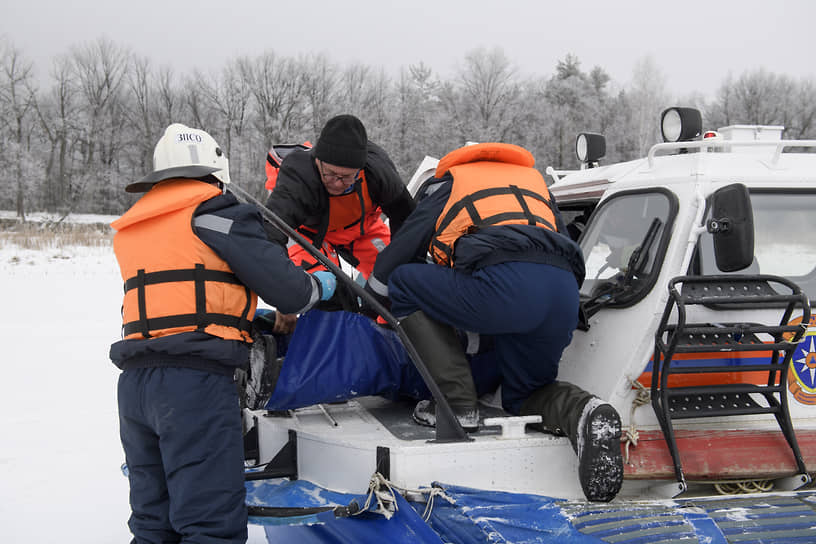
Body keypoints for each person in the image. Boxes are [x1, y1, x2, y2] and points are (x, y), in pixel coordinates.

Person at [109, 123, 336, 543]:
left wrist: (247, 318)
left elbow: (183, 299)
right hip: (192, 389)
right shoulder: (215, 213)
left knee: (154, 526)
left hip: (136, 389)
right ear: (217, 172)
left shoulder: (136, 226)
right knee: (211, 527)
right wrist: (321, 284)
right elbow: (289, 289)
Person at [365, 142, 624, 502]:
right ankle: (583, 412)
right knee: (525, 395)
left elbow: (399, 255)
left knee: (405, 281)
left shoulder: (453, 183)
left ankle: (456, 404)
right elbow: (563, 241)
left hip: (505, 286)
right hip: (562, 293)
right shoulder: (535, 185)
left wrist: (371, 301)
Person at [264, 114, 415, 281]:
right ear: (318, 161)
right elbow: (271, 231)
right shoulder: (299, 176)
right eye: (330, 174)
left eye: (347, 177)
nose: (337, 183)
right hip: (308, 233)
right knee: (325, 294)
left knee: (396, 276)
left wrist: (398, 263)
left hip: (360, 229)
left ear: (360, 170)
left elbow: (408, 222)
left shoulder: (378, 173)